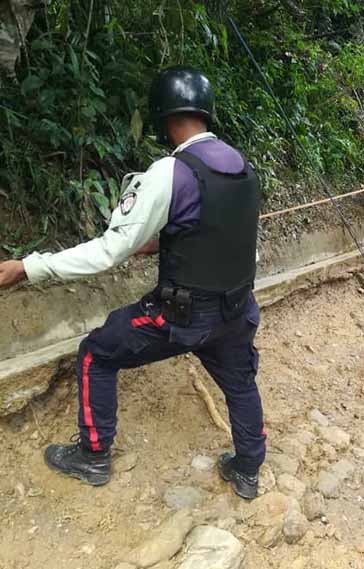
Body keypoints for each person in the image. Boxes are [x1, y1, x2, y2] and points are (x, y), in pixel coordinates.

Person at [0, 66, 266, 500]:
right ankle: (248, 469)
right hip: (236, 310)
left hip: (182, 316)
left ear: (164, 116)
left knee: (96, 353)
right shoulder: (242, 166)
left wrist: (28, 267)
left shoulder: (172, 170)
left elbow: (109, 251)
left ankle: (93, 455)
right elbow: (223, 236)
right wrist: (167, 242)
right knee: (240, 383)